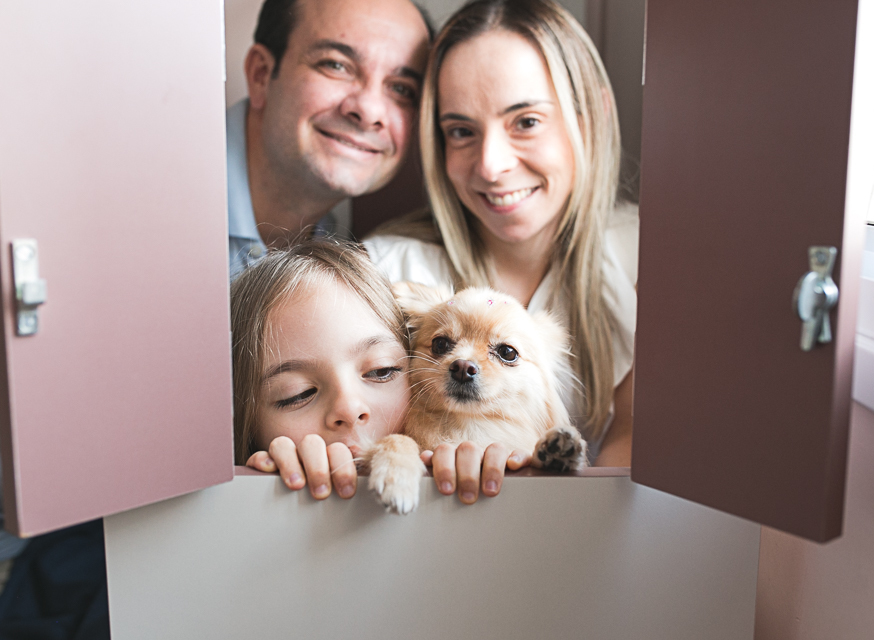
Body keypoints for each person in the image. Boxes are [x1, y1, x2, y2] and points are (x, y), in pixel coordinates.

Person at [364, 0, 638, 466]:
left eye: (526, 122)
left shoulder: (649, 258)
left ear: (592, 116)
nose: (492, 166)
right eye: (461, 131)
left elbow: (636, 458)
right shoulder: (383, 271)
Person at [233, 241, 533, 504]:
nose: (349, 409)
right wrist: (259, 491)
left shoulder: (465, 456)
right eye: (298, 393)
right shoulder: (257, 485)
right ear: (242, 423)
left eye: (381, 371)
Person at [228, 0, 432, 277]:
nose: (369, 111)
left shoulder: (342, 254)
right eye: (336, 65)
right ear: (261, 75)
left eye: (401, 89)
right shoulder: (156, 205)